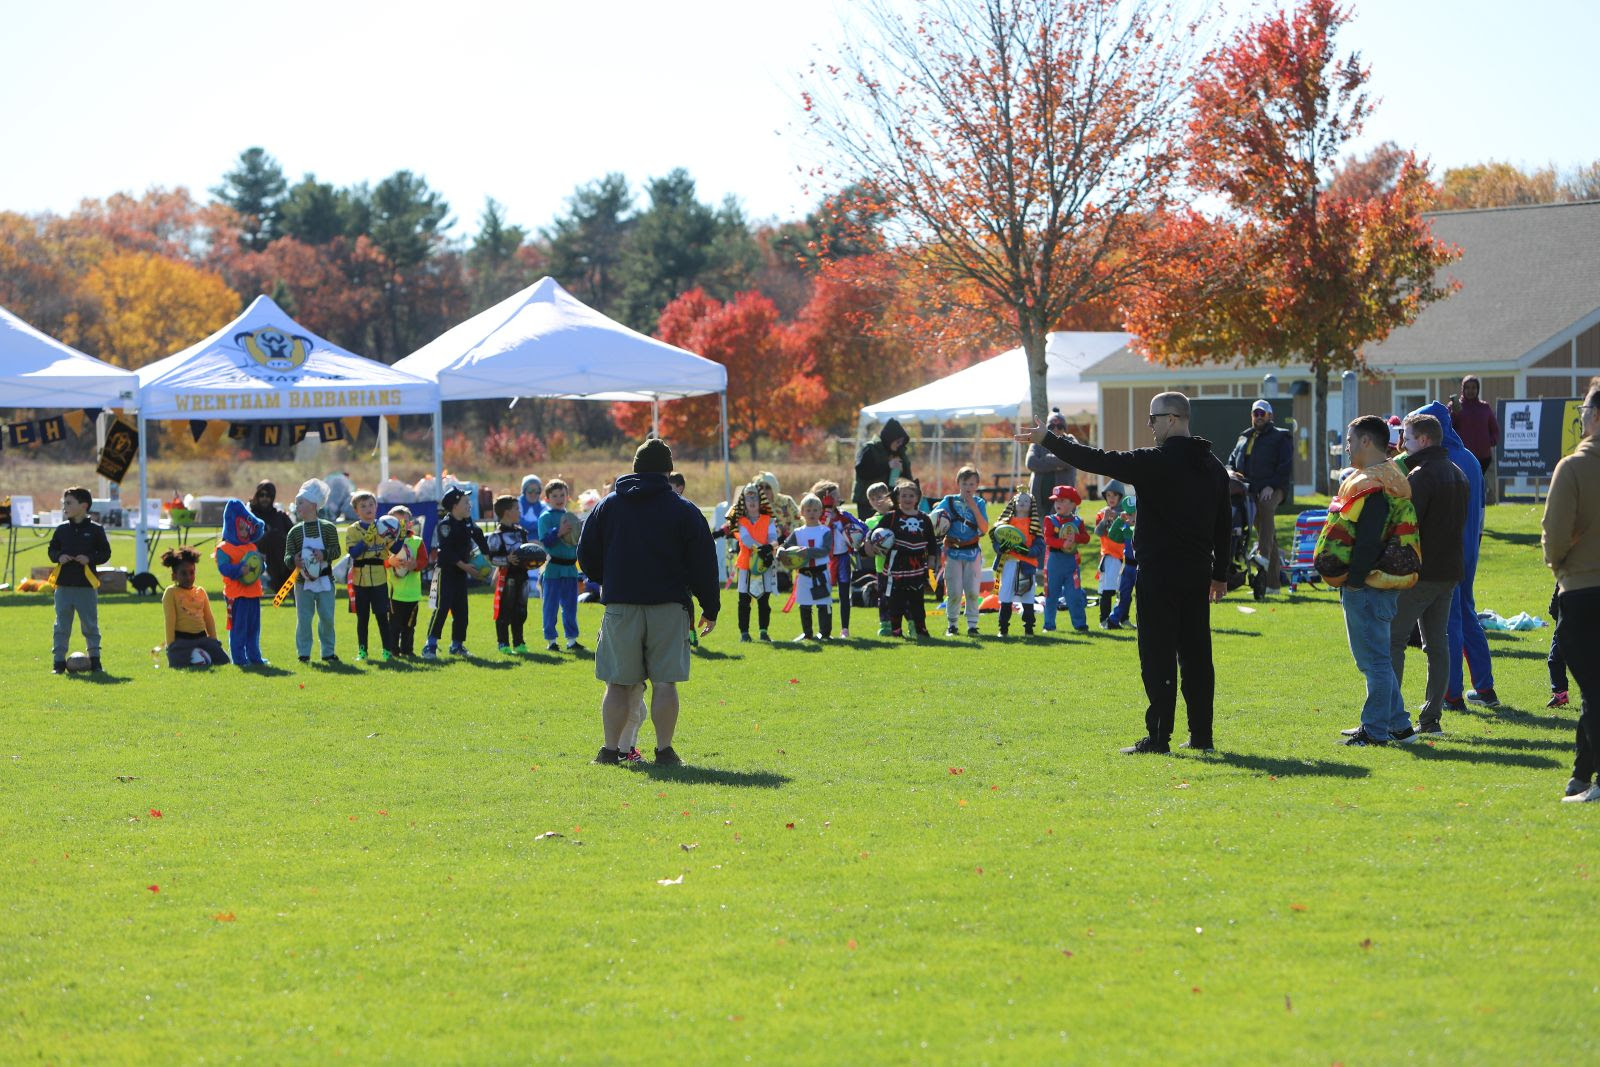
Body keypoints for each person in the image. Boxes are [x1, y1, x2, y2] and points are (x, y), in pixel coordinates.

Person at [1016, 391, 1231, 754]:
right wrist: (1220, 573)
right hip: (1197, 572)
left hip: (1159, 572)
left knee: (1157, 655)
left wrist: (1048, 440)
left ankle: (1159, 738)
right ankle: (1201, 736)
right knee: (1196, 654)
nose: (1150, 425)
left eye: (1153, 418)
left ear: (1173, 419)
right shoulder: (1213, 466)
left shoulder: (1154, 461)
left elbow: (1096, 459)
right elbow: (1225, 524)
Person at [578, 438, 719, 766]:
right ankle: (664, 751)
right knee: (665, 682)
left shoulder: (608, 506)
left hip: (621, 605)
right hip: (669, 605)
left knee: (617, 683)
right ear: (668, 471)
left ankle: (609, 750)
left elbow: (586, 554)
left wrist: (608, 578)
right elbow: (703, 563)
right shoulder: (684, 510)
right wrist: (710, 606)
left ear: (635, 468)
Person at [1314, 415, 1423, 747]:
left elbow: (1369, 538)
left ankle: (1374, 731)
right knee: (1377, 659)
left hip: (1367, 585)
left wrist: (1355, 580)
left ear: (1366, 441)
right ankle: (1400, 726)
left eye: (1350, 441)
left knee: (1374, 661)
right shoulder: (1390, 476)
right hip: (1377, 584)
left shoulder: (1374, 484)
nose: (1347, 447)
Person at [1378, 412, 1468, 738]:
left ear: (1424, 440)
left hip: (1423, 573)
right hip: (1449, 571)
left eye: (1408, 436)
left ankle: (1389, 718)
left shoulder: (1422, 476)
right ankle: (1431, 720)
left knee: (1392, 641)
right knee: (1437, 645)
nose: (1403, 443)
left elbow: (1405, 524)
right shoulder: (1457, 472)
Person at [1416, 401, 1498, 711]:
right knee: (1467, 613)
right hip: (1469, 548)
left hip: (1445, 552)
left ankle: (1451, 694)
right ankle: (1485, 688)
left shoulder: (1438, 462)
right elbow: (1481, 512)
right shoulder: (1471, 459)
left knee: (1447, 622)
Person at [1544, 378, 1600, 802]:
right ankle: (1582, 773)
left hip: (1583, 590)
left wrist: (1560, 566)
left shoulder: (1575, 467)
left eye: (1583, 411)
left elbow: (1555, 536)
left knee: (1594, 690)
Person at [1227, 400, 1294, 594]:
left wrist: (1271, 486)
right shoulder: (1244, 437)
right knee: (1267, 533)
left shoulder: (1281, 436)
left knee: (1265, 507)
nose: (1258, 417)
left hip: (1273, 488)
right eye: (1255, 414)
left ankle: (1262, 556)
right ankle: (1273, 585)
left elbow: (1286, 465)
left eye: (1262, 414)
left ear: (1270, 416)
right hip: (1249, 489)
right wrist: (1230, 472)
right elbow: (1231, 461)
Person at [48, 486, 111, 674]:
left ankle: (95, 661)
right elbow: (52, 550)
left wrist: (90, 558)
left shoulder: (96, 530)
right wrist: (58, 556)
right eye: (64, 503)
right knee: (61, 626)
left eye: (69, 503)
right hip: (64, 586)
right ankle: (58, 663)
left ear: (83, 506)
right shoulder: (61, 530)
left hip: (86, 587)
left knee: (90, 625)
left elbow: (105, 553)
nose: (64, 507)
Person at [423, 487, 489, 659]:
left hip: (460, 574)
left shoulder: (468, 523)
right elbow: (446, 552)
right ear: (454, 506)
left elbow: (479, 537)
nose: (469, 505)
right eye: (466, 502)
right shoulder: (445, 525)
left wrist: (488, 557)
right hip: (445, 573)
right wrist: (465, 566)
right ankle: (430, 645)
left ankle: (457, 645)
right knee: (441, 608)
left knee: (461, 611)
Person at [284, 479, 341, 663]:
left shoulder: (328, 528)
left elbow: (336, 551)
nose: (297, 506)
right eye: (297, 502)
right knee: (304, 619)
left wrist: (324, 555)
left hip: (325, 582)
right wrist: (294, 561)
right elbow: (287, 557)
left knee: (327, 618)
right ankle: (304, 653)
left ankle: (328, 652)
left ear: (314, 505)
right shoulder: (294, 532)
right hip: (303, 584)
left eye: (301, 502)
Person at [934, 467, 989, 637]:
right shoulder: (949, 501)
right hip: (953, 552)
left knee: (972, 591)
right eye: (964, 483)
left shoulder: (980, 503)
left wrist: (974, 507)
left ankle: (972, 625)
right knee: (954, 591)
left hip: (972, 552)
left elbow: (984, 528)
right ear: (958, 483)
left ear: (977, 485)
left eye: (972, 484)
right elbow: (933, 519)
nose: (968, 487)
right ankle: (952, 625)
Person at [214, 499, 268, 668]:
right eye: (242, 528)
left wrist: (261, 565)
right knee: (238, 628)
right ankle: (239, 658)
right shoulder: (224, 548)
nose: (245, 532)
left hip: (253, 594)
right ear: (232, 527)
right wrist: (239, 570)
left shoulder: (251, 547)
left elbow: (260, 567)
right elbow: (224, 568)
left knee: (253, 628)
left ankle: (255, 657)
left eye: (247, 528)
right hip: (236, 596)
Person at [346, 491, 397, 663]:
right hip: (360, 581)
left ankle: (387, 651)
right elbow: (354, 553)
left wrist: (400, 536)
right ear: (356, 511)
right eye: (363, 506)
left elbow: (395, 549)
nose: (368, 508)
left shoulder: (384, 526)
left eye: (371, 505)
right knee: (363, 618)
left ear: (376, 507)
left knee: (382, 617)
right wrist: (366, 540)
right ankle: (362, 651)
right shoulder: (353, 530)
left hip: (379, 580)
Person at [159, 546, 229, 668]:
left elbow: (209, 619)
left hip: (202, 639)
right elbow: (170, 621)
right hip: (182, 641)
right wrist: (171, 646)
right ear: (174, 576)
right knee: (177, 663)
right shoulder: (171, 593)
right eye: (183, 573)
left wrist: (214, 641)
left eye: (192, 572)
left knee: (223, 660)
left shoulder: (200, 592)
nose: (188, 577)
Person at [883, 479, 935, 639]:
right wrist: (871, 545)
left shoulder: (924, 518)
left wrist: (932, 560)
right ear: (898, 498)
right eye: (904, 495)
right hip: (896, 565)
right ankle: (896, 630)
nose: (907, 499)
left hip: (917, 566)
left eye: (911, 495)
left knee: (917, 600)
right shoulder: (891, 517)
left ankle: (921, 629)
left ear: (917, 498)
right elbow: (875, 534)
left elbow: (932, 542)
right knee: (896, 601)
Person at [728, 482, 779, 642]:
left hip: (764, 565)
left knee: (764, 600)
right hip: (746, 565)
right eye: (748, 498)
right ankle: (744, 633)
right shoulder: (741, 521)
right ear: (743, 501)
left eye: (755, 498)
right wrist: (762, 548)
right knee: (744, 600)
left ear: (760, 500)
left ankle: (764, 632)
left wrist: (769, 547)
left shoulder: (768, 520)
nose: (752, 501)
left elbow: (773, 538)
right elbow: (746, 539)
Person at [537, 479, 583, 652]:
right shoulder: (546, 517)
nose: (559, 499)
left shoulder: (571, 517)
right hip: (553, 569)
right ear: (547, 499)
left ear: (567, 497)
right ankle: (551, 641)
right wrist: (559, 532)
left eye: (562, 495)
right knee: (551, 606)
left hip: (570, 569)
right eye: (554, 496)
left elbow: (577, 541)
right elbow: (546, 542)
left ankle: (572, 640)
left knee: (570, 606)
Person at [991, 489, 1043, 637]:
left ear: (1031, 505)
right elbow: (996, 541)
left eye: (1026, 500)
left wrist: (1026, 551)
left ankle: (1029, 629)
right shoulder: (1005, 523)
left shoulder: (1034, 526)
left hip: (1027, 565)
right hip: (1008, 563)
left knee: (1028, 596)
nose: (1022, 503)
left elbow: (1040, 547)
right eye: (1019, 499)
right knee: (1005, 595)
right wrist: (1001, 548)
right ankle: (1003, 629)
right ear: (1013, 503)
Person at [811, 480, 859, 638]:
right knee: (825, 595)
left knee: (844, 595)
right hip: (827, 560)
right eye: (835, 495)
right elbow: (822, 528)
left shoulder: (843, 515)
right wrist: (826, 511)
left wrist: (856, 533)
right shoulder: (819, 517)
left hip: (843, 559)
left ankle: (845, 629)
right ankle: (825, 629)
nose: (838, 498)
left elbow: (861, 527)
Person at [486, 495, 532, 654]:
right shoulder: (496, 536)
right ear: (507, 512)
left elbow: (528, 553)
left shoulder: (521, 533)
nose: (519, 512)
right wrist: (506, 559)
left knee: (521, 611)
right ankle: (503, 643)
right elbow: (491, 559)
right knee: (505, 610)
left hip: (523, 577)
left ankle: (519, 643)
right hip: (507, 578)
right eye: (516, 509)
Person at [1042, 484, 1090, 633]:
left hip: (1071, 563)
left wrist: (1075, 537)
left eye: (1062, 500)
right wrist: (1062, 543)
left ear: (1073, 504)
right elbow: (1047, 539)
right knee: (1051, 595)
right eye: (1056, 500)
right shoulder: (1050, 520)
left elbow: (1086, 538)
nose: (1058, 503)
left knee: (1074, 594)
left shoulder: (1078, 522)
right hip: (1054, 561)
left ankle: (1080, 625)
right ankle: (1049, 625)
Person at [786, 493, 835, 641]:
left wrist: (807, 552)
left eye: (815, 510)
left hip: (821, 573)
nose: (811, 513)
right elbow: (786, 546)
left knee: (823, 604)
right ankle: (807, 633)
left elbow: (825, 550)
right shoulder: (798, 533)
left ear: (820, 512)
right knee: (804, 604)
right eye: (808, 510)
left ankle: (825, 633)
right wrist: (781, 552)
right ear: (802, 512)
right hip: (804, 574)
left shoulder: (825, 531)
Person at [386, 506, 427, 658]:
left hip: (413, 594)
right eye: (396, 522)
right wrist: (390, 562)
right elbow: (381, 562)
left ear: (410, 523)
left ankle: (407, 650)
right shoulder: (387, 542)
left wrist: (414, 565)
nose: (400, 525)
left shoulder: (417, 542)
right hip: (394, 594)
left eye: (404, 522)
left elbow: (424, 561)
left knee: (409, 625)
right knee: (394, 625)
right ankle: (393, 650)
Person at [851, 418, 914, 515]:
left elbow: (908, 478)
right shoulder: (870, 449)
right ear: (890, 438)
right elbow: (862, 472)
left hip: (891, 501)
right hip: (868, 502)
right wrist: (887, 465)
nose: (900, 444)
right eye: (898, 441)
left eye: (901, 442)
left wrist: (902, 471)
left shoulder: (900, 453)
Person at [1449, 374, 1500, 485]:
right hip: (1463, 456)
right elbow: (1448, 428)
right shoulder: (1455, 406)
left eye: (1473, 388)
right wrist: (1454, 413)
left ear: (1478, 389)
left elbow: (1495, 430)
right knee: (1465, 485)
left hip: (1484, 457)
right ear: (1463, 389)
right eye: (1467, 388)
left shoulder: (1485, 407)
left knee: (1479, 484)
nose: (1470, 391)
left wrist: (1489, 442)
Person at [1092, 481, 1130, 628]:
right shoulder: (1102, 513)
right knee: (1107, 589)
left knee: (1125, 590)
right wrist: (1104, 519)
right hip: (1110, 556)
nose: (1111, 498)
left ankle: (1123, 618)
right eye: (1108, 495)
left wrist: (1118, 517)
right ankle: (1105, 620)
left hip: (1125, 557)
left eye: (1114, 495)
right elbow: (1098, 532)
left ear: (1120, 496)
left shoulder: (1127, 513)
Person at [249, 480, 294, 598]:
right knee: (272, 537)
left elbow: (295, 536)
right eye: (262, 495)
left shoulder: (280, 516)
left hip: (282, 558)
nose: (265, 498)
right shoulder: (249, 516)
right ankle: (282, 587)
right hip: (255, 556)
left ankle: (285, 588)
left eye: (268, 495)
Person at [861, 482, 896, 636]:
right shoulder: (870, 522)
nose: (877, 501)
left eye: (880, 497)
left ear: (888, 496)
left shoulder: (897, 516)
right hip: (881, 567)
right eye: (873, 499)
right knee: (883, 597)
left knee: (903, 597)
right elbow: (865, 547)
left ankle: (911, 623)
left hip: (900, 566)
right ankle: (885, 624)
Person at [1027, 408, 1077, 509]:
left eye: (1060, 427)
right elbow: (1031, 462)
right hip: (1039, 497)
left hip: (1064, 500)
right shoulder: (1038, 441)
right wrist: (1058, 465)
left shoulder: (1071, 440)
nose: (1055, 429)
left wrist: (1045, 460)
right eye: (1051, 427)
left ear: (1064, 429)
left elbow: (1072, 459)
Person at [1107, 496, 1138, 630]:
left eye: (1134, 514)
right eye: (1129, 514)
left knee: (1142, 596)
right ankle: (1113, 620)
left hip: (1141, 568)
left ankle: (1144, 622)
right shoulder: (1125, 528)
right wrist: (1120, 519)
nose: (1132, 518)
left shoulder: (1145, 529)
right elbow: (1112, 535)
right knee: (1123, 595)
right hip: (1128, 567)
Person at [1547, 582, 1569, 708]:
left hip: (1565, 621)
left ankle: (1560, 693)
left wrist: (1553, 609)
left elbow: (1559, 589)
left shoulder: (1566, 574)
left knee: (1555, 659)